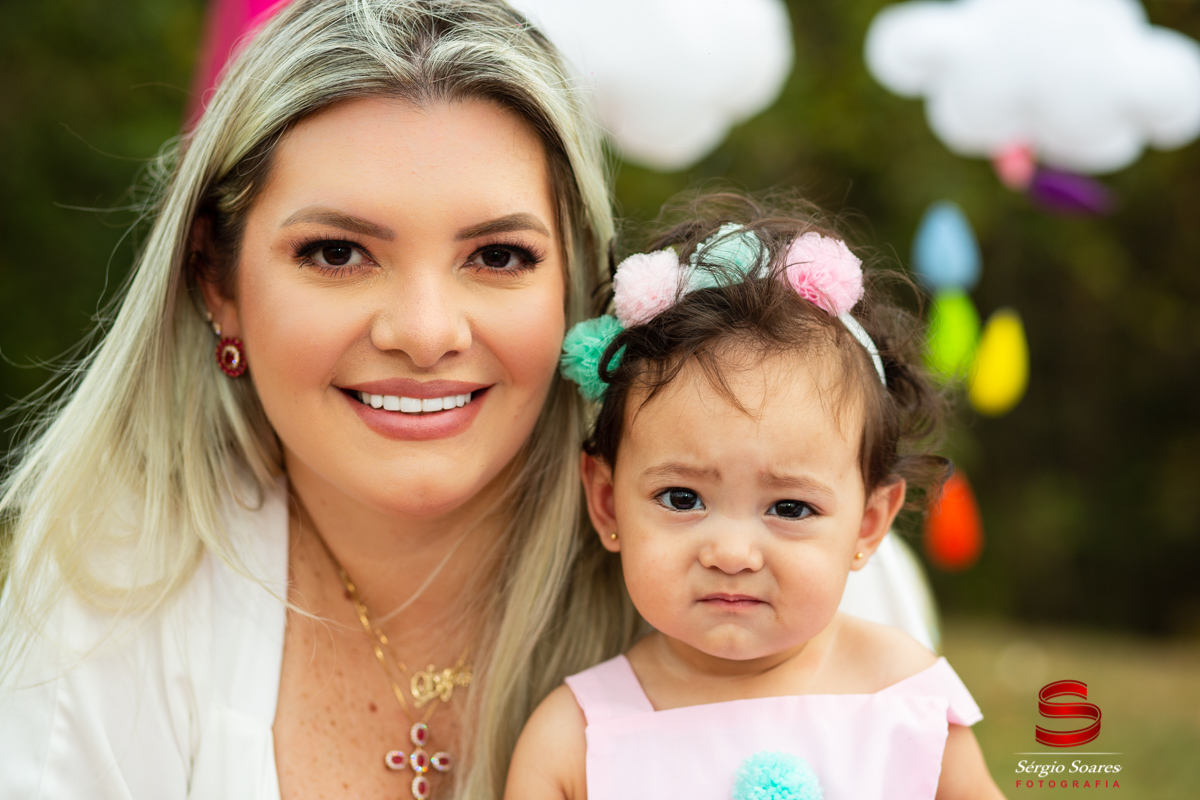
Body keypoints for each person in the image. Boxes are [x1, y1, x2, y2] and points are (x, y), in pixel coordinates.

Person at [0, 2, 639, 799]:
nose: (424, 334)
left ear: (575, 277)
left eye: (499, 256)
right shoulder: (103, 603)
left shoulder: (733, 554)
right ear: (215, 280)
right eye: (338, 253)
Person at [505, 196, 1006, 799]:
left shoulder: (908, 703)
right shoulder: (575, 742)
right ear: (608, 503)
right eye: (682, 498)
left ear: (868, 525)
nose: (732, 553)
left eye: (790, 508)